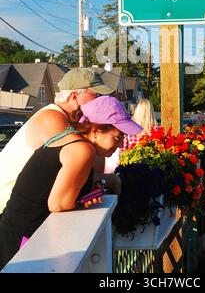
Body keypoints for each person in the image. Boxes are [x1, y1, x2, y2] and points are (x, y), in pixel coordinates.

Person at [0, 96, 143, 270]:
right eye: (118, 137)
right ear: (96, 130)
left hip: (14, 231)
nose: (121, 144)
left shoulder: (71, 140)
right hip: (22, 239)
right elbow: (58, 204)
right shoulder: (82, 150)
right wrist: (84, 199)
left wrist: (93, 190)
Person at [0, 67, 115, 214]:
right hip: (7, 208)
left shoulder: (62, 118)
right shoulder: (52, 117)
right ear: (74, 96)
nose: (100, 100)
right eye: (96, 94)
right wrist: (109, 180)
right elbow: (82, 161)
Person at [104, 98, 157, 173]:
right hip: (150, 171)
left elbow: (122, 154)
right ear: (151, 113)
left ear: (137, 112)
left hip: (131, 171)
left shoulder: (130, 131)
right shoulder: (156, 132)